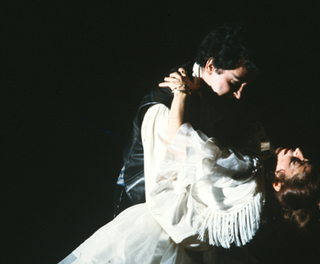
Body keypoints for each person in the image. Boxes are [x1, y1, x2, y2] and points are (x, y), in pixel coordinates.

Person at [27, 61, 320, 264]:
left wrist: (181, 92)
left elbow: (184, 141)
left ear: (280, 180)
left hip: (161, 236)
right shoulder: (257, 187)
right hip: (194, 252)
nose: (296, 149)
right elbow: (258, 146)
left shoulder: (248, 173)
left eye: (296, 160)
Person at [113, 22, 272, 217]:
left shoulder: (220, 95)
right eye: (234, 83)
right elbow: (179, 159)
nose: (239, 95)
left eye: (244, 88)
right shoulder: (166, 100)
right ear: (211, 66)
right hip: (141, 201)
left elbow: (260, 143)